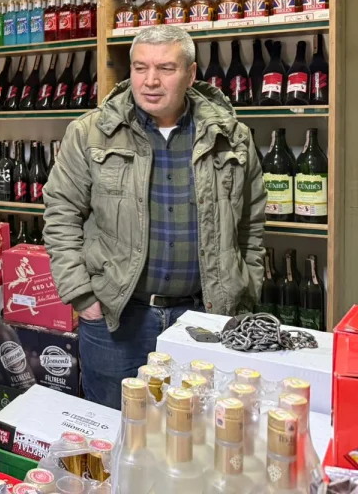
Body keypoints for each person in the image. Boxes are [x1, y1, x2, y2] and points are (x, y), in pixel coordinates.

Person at [42, 25, 265, 409]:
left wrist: (246, 285)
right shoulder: (91, 133)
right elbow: (61, 213)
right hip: (117, 318)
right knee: (114, 432)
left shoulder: (232, 136)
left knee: (198, 431)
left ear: (191, 74)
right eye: (140, 68)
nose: (150, 81)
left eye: (165, 68)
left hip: (205, 317)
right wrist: (82, 296)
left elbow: (252, 224)